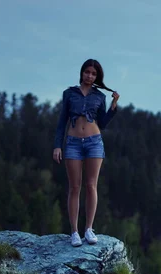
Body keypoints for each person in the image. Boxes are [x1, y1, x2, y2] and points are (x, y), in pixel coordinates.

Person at [53, 59, 120, 247]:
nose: (90, 76)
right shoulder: (69, 94)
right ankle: (74, 231)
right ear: (82, 73)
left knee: (91, 185)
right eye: (87, 72)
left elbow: (103, 123)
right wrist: (57, 145)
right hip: (72, 143)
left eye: (93, 74)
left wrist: (113, 106)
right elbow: (61, 122)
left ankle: (89, 229)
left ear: (97, 77)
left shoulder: (99, 96)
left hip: (94, 142)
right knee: (74, 187)